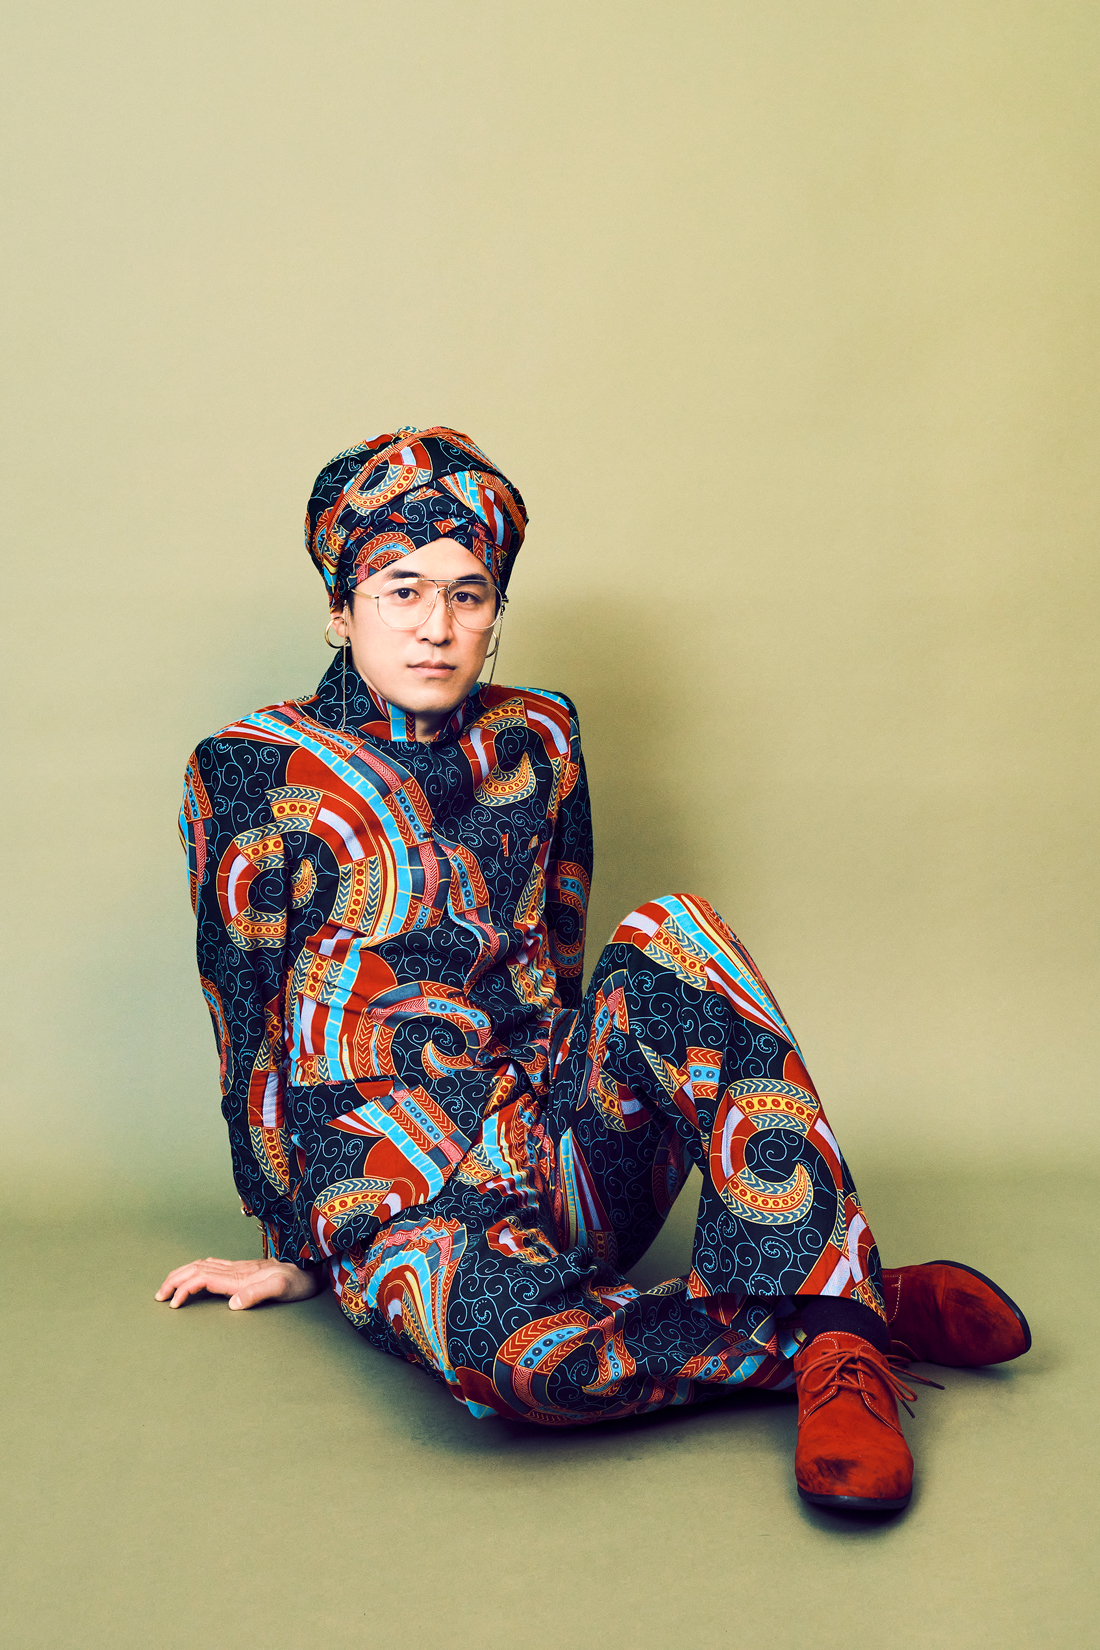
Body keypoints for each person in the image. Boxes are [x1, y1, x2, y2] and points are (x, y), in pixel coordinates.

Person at [158, 425, 1030, 1514]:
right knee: (531, 1368)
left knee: (674, 931)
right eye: (401, 591)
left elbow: (559, 962)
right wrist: (289, 1242)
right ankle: (831, 1309)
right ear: (341, 609)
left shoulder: (543, 735)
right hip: (399, 1199)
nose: (437, 626)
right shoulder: (245, 772)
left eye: (469, 595)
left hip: (550, 1147)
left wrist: (572, 1108)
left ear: (495, 608)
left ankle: (840, 1346)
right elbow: (244, 1022)